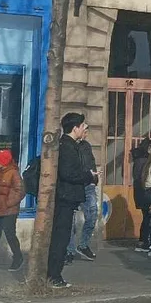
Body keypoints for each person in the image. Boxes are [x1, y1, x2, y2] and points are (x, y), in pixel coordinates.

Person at [49, 112, 97, 288]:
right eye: (84, 126)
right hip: (65, 197)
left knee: (62, 236)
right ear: (75, 128)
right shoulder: (67, 147)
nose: (86, 129)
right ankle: (54, 276)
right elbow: (68, 173)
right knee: (60, 238)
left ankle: (54, 274)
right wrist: (88, 175)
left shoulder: (70, 145)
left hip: (67, 197)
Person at [66, 136, 100, 263]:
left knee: (93, 214)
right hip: (73, 185)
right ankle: (69, 250)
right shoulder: (67, 145)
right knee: (71, 221)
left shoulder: (86, 145)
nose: (86, 132)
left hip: (88, 185)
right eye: (84, 129)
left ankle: (83, 244)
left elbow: (91, 162)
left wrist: (94, 179)